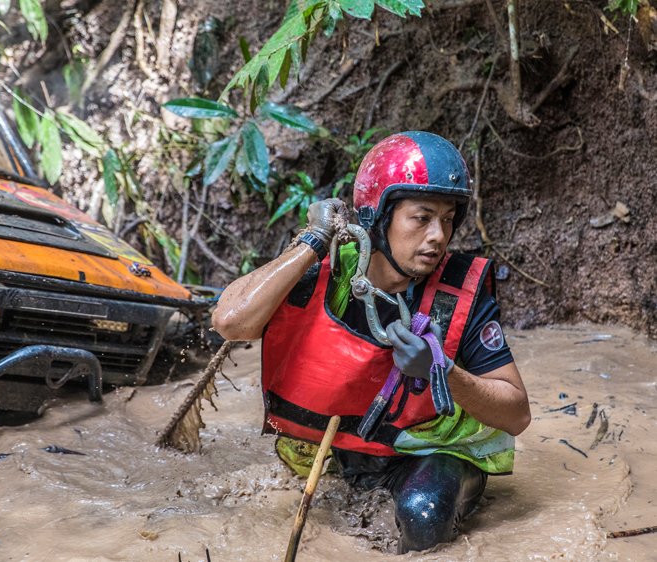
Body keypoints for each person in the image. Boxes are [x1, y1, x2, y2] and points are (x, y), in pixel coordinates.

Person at [212, 131, 531, 554]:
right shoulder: (322, 269)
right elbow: (230, 322)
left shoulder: (460, 296)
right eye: (422, 218)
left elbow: (517, 415)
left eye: (448, 218)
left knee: (423, 513)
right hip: (341, 452)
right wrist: (313, 240)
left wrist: (443, 371)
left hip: (429, 455)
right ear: (379, 217)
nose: (439, 235)